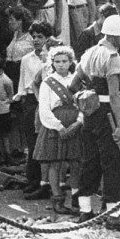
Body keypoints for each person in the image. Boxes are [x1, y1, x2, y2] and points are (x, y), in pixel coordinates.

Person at [69, 14, 120, 229]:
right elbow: (114, 96)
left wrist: (87, 97)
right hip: (108, 113)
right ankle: (112, 214)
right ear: (116, 36)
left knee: (90, 161)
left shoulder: (89, 53)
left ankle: (85, 210)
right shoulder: (112, 57)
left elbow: (73, 85)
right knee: (112, 162)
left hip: (89, 113)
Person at [34, 45, 83, 215]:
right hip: (56, 126)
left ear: (71, 62)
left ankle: (77, 197)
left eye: (64, 61)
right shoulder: (48, 83)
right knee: (55, 163)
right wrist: (59, 127)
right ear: (52, 63)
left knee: (76, 162)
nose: (61, 64)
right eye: (57, 62)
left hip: (76, 125)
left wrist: (78, 122)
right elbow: (44, 108)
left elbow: (85, 103)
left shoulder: (77, 81)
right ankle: (57, 199)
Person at [18, 21, 54, 198]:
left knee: (46, 143)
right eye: (34, 37)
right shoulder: (26, 59)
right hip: (32, 101)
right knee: (32, 144)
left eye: (40, 37)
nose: (36, 40)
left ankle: (46, 183)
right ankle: (32, 180)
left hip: (49, 101)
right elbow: (23, 84)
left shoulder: (53, 58)